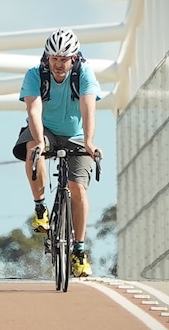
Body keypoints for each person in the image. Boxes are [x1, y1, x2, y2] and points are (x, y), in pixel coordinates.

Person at [12, 29, 102, 278]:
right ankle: (40, 207)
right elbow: (34, 111)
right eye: (54, 58)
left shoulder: (84, 73)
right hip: (46, 130)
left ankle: (79, 250)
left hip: (76, 135)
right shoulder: (35, 75)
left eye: (64, 58)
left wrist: (89, 142)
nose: (59, 64)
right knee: (33, 149)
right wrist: (40, 141)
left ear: (74, 58)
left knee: (78, 189)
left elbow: (88, 110)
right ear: (47, 57)